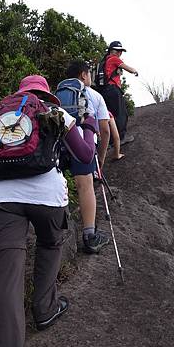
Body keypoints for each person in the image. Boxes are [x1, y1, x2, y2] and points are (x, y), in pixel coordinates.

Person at [0, 74, 97, 347]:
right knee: (50, 242)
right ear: (46, 94)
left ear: (20, 93)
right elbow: (85, 156)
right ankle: (45, 309)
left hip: (3, 202)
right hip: (47, 198)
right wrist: (88, 126)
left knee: (6, 276)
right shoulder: (55, 112)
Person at [63, 60, 110, 254]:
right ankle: (89, 236)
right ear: (83, 75)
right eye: (89, 73)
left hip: (62, 140)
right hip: (83, 142)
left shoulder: (60, 93)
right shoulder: (94, 95)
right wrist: (100, 160)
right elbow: (105, 129)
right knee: (85, 185)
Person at [99, 41, 138, 145]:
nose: (120, 53)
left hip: (106, 91)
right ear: (112, 51)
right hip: (113, 90)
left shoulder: (106, 60)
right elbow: (128, 68)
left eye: (121, 51)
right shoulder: (113, 59)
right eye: (118, 51)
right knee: (121, 114)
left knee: (111, 116)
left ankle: (111, 140)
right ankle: (121, 138)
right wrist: (135, 71)